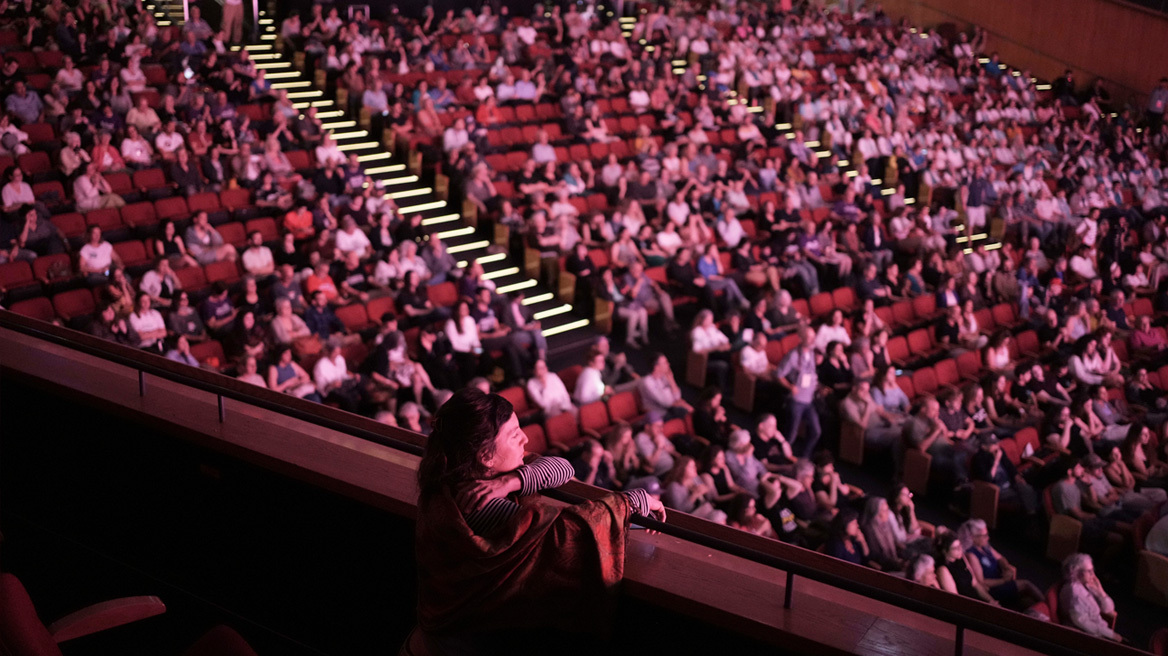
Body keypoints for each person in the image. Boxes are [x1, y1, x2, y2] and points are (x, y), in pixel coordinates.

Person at [406, 388, 663, 654]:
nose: (525, 438)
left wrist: (511, 480)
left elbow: (564, 468)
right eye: (515, 434)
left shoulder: (452, 476)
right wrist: (632, 503)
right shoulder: (482, 505)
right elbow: (568, 535)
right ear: (486, 457)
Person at [957, 519, 1043, 609]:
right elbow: (981, 582)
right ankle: (1046, 605)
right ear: (973, 537)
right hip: (994, 588)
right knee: (1027, 585)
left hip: (1001, 579)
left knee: (1027, 599)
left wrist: (1006, 567)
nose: (988, 538)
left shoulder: (984, 547)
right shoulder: (971, 555)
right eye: (984, 535)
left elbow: (1001, 558)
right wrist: (1004, 580)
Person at [775, 326, 821, 458]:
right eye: (809, 337)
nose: (812, 340)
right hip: (797, 400)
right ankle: (782, 457)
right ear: (801, 338)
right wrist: (790, 387)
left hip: (809, 400)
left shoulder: (811, 353)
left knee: (816, 431)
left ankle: (804, 457)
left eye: (813, 337)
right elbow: (779, 374)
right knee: (791, 434)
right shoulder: (793, 355)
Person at [1058, 553, 1122, 641]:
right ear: (1077, 572)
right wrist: (1111, 635)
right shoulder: (1073, 592)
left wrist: (1101, 592)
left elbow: (1108, 609)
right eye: (1089, 571)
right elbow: (1082, 622)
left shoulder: (1087, 585)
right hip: (1087, 637)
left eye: (1093, 570)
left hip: (1102, 631)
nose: (1093, 574)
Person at [969, 435, 1039, 516]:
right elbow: (987, 479)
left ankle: (1033, 514)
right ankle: (1031, 519)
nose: (997, 446)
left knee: (1027, 489)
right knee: (1020, 500)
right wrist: (996, 461)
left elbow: (1009, 466)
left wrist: (1016, 476)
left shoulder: (999, 450)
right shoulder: (978, 459)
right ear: (984, 447)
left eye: (996, 443)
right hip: (997, 490)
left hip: (1010, 483)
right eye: (993, 444)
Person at [935, 533, 998, 605]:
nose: (960, 549)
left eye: (960, 545)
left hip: (976, 599)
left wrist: (991, 600)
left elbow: (975, 583)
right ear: (945, 551)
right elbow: (955, 599)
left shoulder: (961, 557)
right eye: (955, 548)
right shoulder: (943, 569)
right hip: (966, 604)